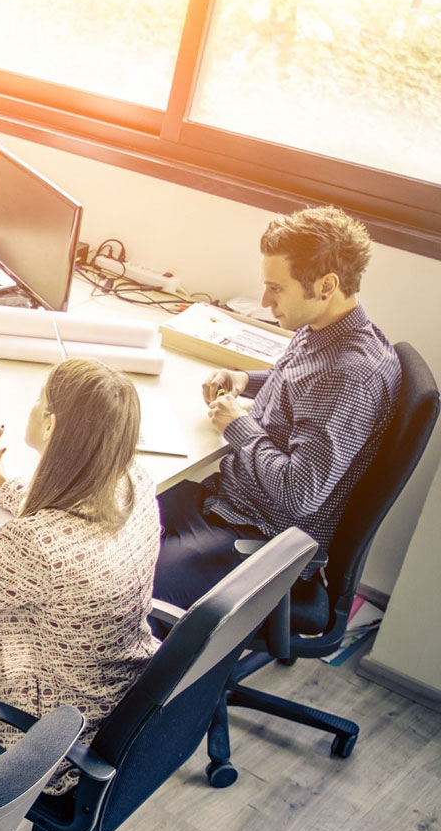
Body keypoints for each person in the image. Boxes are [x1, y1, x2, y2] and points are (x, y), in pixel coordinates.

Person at [0, 359, 160, 793]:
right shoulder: (132, 482)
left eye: (39, 398)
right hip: (107, 699)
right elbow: (71, 520)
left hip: (42, 738)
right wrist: (1, 481)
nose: (31, 404)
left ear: (51, 425)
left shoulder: (34, 546)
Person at [153, 206, 401, 608]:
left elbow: (299, 491)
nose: (266, 301)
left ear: (326, 285)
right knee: (101, 522)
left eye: (277, 289)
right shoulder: (327, 330)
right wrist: (244, 379)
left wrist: (237, 425)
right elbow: (302, 384)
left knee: (123, 588)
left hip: (261, 537)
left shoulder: (351, 376)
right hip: (228, 502)